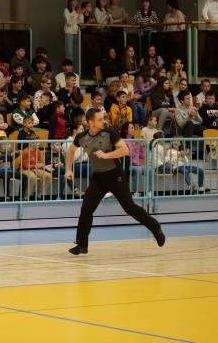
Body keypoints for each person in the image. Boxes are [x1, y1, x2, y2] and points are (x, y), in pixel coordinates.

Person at [65, 107, 165, 255]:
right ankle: (81, 245)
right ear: (90, 122)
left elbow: (124, 150)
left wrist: (106, 155)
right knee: (86, 209)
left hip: (115, 176)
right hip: (98, 177)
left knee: (129, 208)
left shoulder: (109, 132)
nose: (103, 121)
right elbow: (71, 150)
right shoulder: (81, 137)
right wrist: (68, 169)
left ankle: (155, 227)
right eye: (100, 119)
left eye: (103, 118)